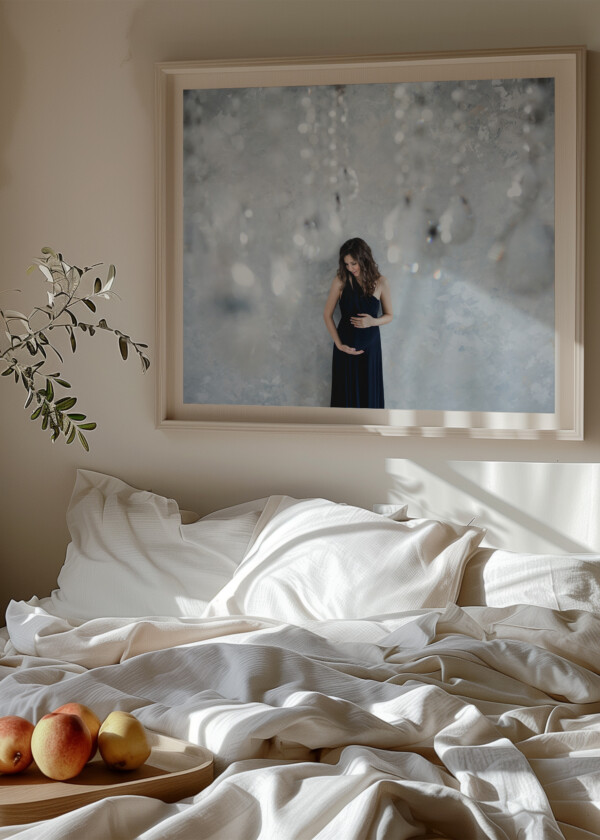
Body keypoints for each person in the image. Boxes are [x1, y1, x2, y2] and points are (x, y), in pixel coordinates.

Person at [323, 237, 393, 408]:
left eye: (353, 263)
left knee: (369, 399)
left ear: (364, 258)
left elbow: (389, 315)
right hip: (345, 349)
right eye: (346, 264)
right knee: (344, 400)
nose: (350, 268)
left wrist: (373, 321)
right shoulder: (341, 280)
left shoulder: (381, 282)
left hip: (371, 351)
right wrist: (339, 345)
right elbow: (327, 314)